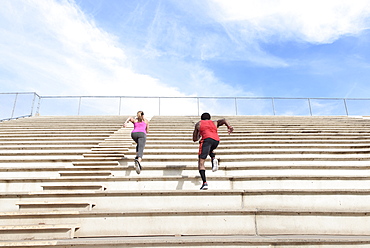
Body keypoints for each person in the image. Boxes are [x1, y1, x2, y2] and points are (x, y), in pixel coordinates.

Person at [193, 112, 234, 190]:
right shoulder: (214, 122)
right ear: (209, 118)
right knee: (210, 149)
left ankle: (204, 183)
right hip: (216, 141)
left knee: (201, 163)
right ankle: (213, 158)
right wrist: (229, 126)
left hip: (206, 140)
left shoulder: (198, 124)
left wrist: (198, 133)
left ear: (201, 119)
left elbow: (194, 139)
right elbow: (224, 120)